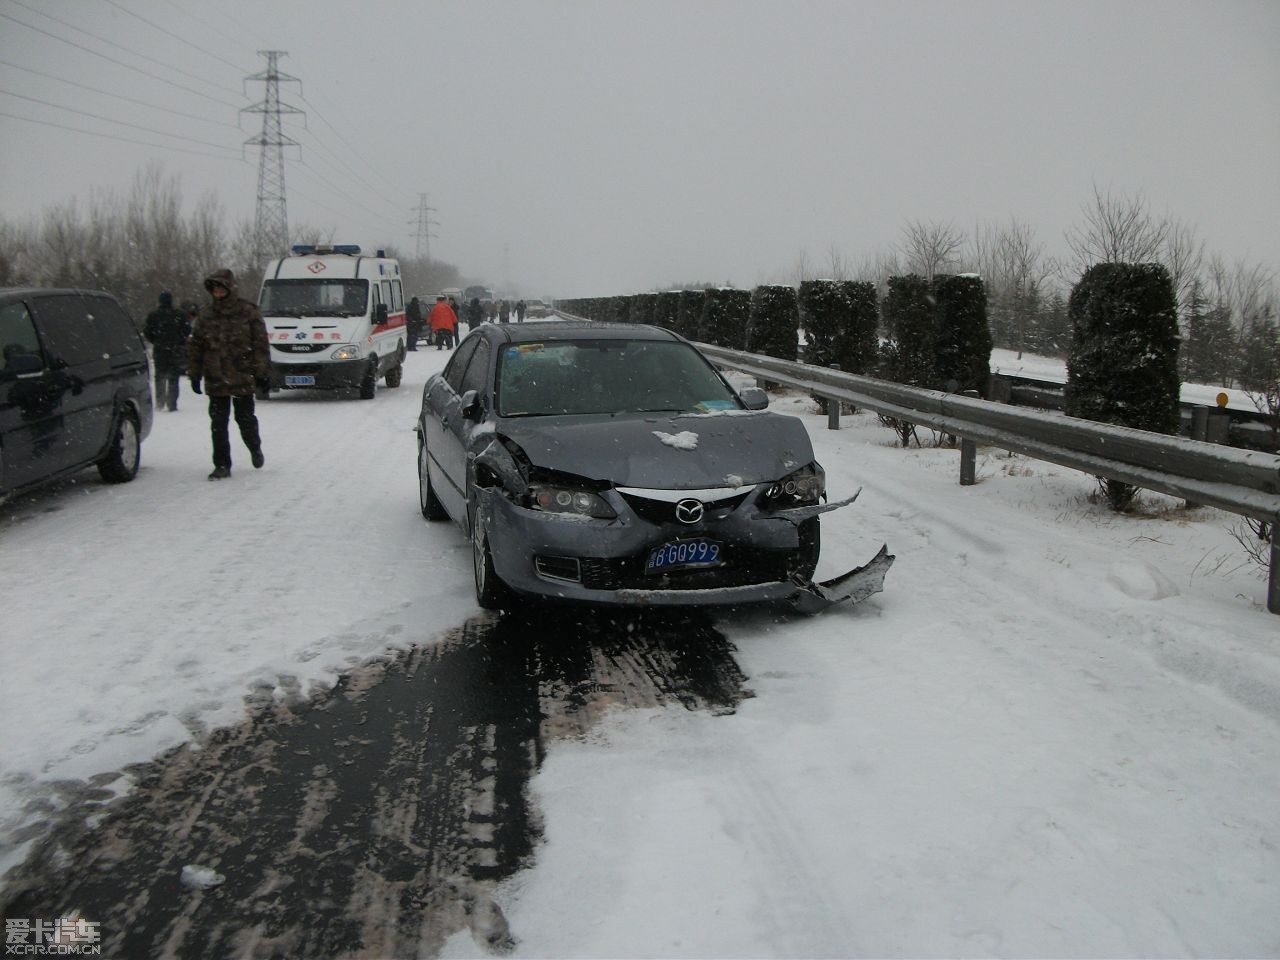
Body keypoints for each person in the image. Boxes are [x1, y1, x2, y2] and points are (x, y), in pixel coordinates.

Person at [188, 268, 269, 480]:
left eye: (221, 287)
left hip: (242, 375)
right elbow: (196, 346)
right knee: (218, 424)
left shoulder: (248, 311)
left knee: (245, 419)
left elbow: (260, 345)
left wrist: (261, 373)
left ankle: (254, 447)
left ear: (229, 288)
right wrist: (195, 374)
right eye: (214, 288)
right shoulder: (206, 315)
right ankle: (222, 464)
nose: (217, 292)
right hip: (216, 377)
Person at [143, 291, 191, 411]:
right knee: (173, 377)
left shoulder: (153, 315)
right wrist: (179, 340)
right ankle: (172, 404)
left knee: (159, 375)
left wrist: (156, 340)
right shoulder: (180, 314)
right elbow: (187, 330)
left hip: (160, 349)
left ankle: (160, 402)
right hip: (175, 349)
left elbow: (147, 332)